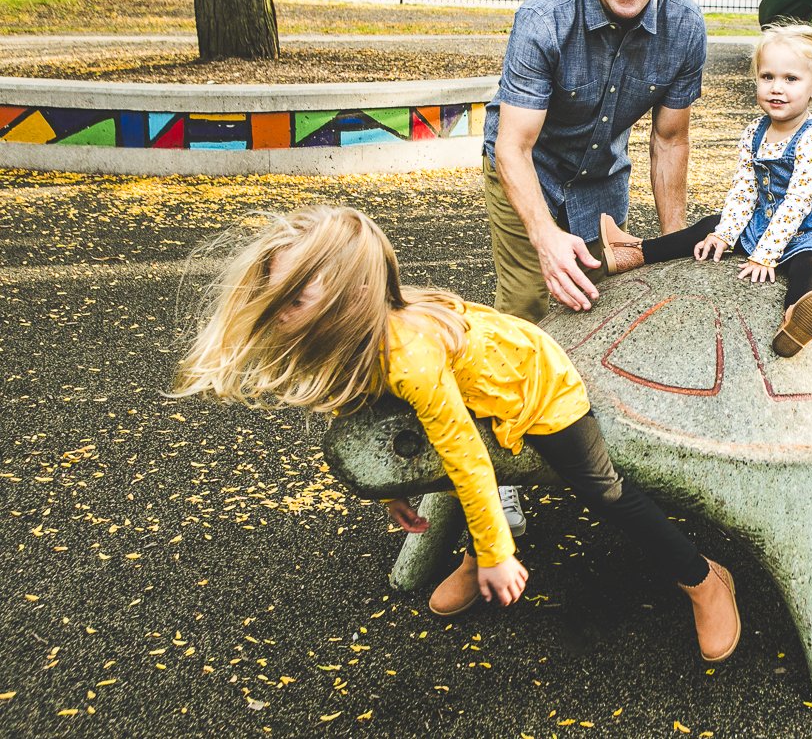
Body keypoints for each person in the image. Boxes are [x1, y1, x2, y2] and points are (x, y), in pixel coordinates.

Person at [173, 206, 741, 662]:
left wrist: (498, 553)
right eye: (278, 298)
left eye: (294, 299)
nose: (279, 313)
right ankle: (478, 551)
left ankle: (702, 578)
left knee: (604, 492)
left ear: (350, 303)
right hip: (475, 388)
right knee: (447, 451)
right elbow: (366, 410)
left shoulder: (411, 358)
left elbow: (468, 460)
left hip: (534, 383)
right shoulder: (357, 337)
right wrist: (391, 485)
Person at [483, 0, 707, 324]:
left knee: (596, 310)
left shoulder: (685, 28)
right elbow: (514, 146)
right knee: (529, 308)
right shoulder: (544, 18)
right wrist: (545, 236)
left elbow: (669, 141)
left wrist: (676, 247)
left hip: (602, 180)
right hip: (529, 169)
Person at [597, 23, 812, 357]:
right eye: (767, 77)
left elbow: (797, 203)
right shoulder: (755, 131)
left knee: (810, 262)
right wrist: (725, 235)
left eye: (791, 79)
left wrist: (765, 255)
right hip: (765, 221)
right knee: (708, 226)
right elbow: (744, 190)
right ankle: (635, 252)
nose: (776, 88)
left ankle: (797, 317)